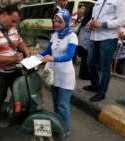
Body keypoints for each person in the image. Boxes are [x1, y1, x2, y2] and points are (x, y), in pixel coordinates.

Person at [0, 4, 33, 141]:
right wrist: (14, 58)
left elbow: (19, 41)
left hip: (14, 70)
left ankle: (16, 118)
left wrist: (26, 51)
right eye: (12, 20)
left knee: (23, 96)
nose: (14, 24)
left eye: (16, 22)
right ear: (4, 14)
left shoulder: (12, 27)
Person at [40, 9, 78, 137]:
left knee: (63, 105)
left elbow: (70, 55)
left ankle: (65, 130)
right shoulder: (55, 34)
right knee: (56, 102)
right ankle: (58, 125)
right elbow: (47, 51)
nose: (56, 24)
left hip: (66, 76)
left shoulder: (72, 36)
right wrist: (37, 56)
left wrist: (53, 58)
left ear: (66, 22)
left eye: (60, 22)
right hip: (54, 74)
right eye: (55, 21)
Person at [83, 0, 125, 102]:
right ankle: (95, 85)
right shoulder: (99, 1)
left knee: (105, 66)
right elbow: (94, 18)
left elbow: (122, 20)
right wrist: (89, 25)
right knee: (90, 62)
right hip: (94, 36)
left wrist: (103, 24)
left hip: (109, 38)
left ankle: (102, 92)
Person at [77, 6, 93, 80]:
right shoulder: (91, 20)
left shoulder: (86, 17)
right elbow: (89, 29)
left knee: (84, 59)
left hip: (81, 41)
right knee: (85, 60)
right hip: (86, 42)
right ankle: (84, 75)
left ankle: (82, 74)